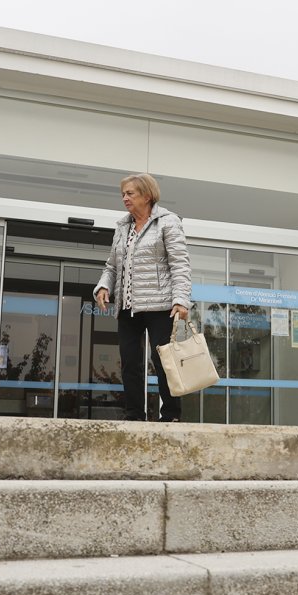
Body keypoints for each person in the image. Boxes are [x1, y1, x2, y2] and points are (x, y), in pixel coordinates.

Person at [94, 173, 192, 421]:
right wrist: (103, 287)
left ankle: (171, 414)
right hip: (128, 307)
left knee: (163, 362)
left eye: (130, 193)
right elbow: (111, 267)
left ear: (147, 196)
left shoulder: (167, 222)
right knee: (129, 362)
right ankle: (134, 414)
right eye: (123, 194)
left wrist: (180, 300)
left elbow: (180, 264)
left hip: (160, 305)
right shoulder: (122, 227)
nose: (125, 198)